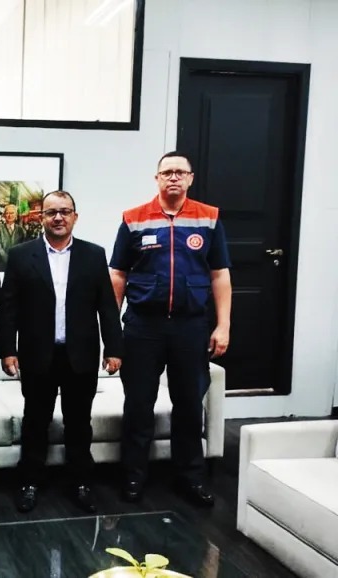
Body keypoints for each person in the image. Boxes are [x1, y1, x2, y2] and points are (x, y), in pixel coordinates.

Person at [109, 151, 232, 507]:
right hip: (142, 326)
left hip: (190, 326)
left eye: (180, 172)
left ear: (190, 178)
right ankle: (133, 475)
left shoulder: (209, 218)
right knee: (138, 404)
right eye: (167, 173)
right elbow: (118, 274)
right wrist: (112, 331)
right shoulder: (134, 219)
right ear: (157, 179)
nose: (173, 177)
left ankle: (190, 477)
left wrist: (223, 325)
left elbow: (220, 275)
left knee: (190, 404)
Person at [0, 191, 123, 514]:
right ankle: (29, 482)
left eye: (64, 212)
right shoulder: (21, 255)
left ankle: (80, 483)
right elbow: (9, 308)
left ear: (75, 217)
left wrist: (114, 348)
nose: (58, 218)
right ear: (41, 218)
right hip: (37, 354)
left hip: (80, 355)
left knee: (79, 423)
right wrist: (7, 350)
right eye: (51, 212)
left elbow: (107, 307)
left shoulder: (93, 255)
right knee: (35, 421)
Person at [0, 204, 27, 270]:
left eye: (12, 213)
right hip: (3, 266)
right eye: (7, 213)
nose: (9, 215)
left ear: (16, 215)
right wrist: (8, 260)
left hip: (17, 264)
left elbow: (24, 247)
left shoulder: (21, 230)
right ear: (4, 215)